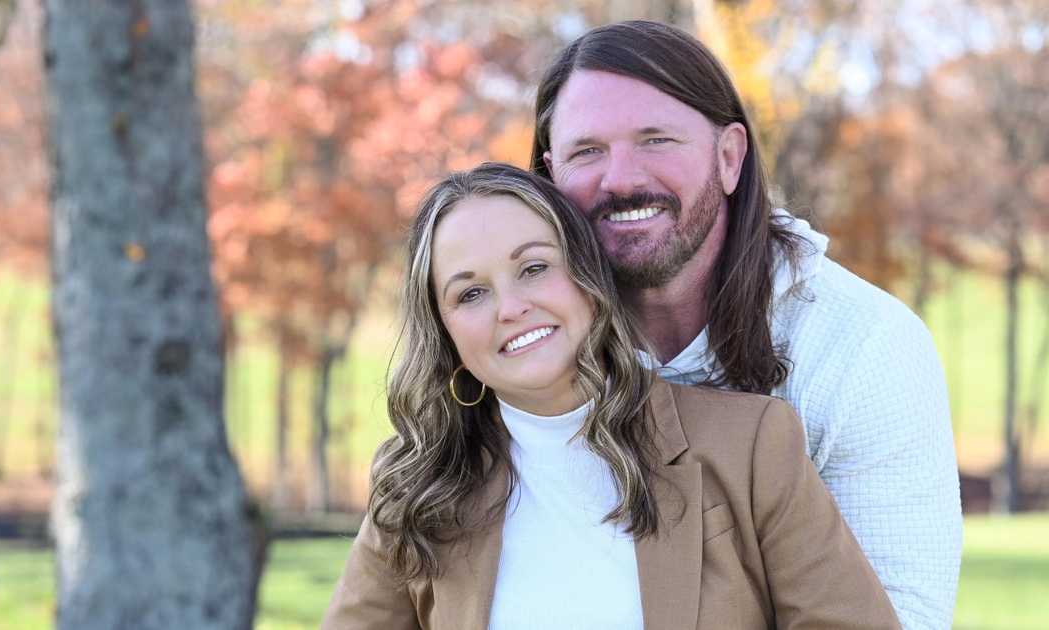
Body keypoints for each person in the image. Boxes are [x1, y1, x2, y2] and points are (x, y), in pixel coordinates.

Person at [322, 162, 899, 629]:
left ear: (587, 276)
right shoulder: (417, 489)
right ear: (445, 331)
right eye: (470, 293)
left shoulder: (749, 446)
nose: (510, 307)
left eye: (534, 268)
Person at [529, 20, 961, 630]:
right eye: (586, 151)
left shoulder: (862, 347)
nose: (621, 178)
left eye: (656, 140)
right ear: (550, 177)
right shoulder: (523, 342)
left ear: (730, 156)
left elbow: (897, 618)